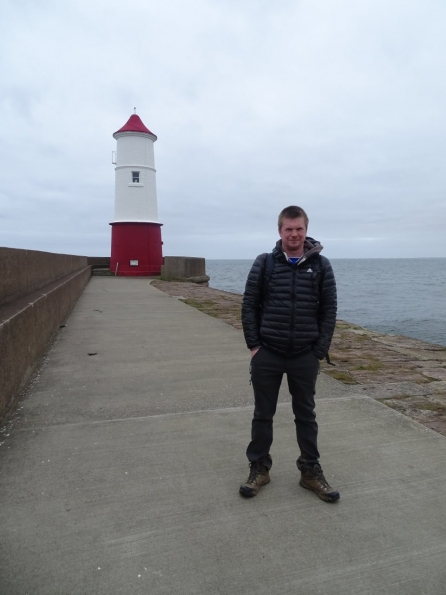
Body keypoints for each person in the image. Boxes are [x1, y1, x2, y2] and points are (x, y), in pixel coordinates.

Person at [240, 205, 339, 502]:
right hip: (268, 352)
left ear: (306, 230)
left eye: (299, 229)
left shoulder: (321, 266)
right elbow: (249, 305)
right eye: (288, 229)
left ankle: (310, 471)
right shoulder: (265, 263)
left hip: (304, 355)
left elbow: (329, 310)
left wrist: (318, 351)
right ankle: (259, 468)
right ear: (280, 231)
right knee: (262, 414)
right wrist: (255, 346)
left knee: (306, 414)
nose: (294, 234)